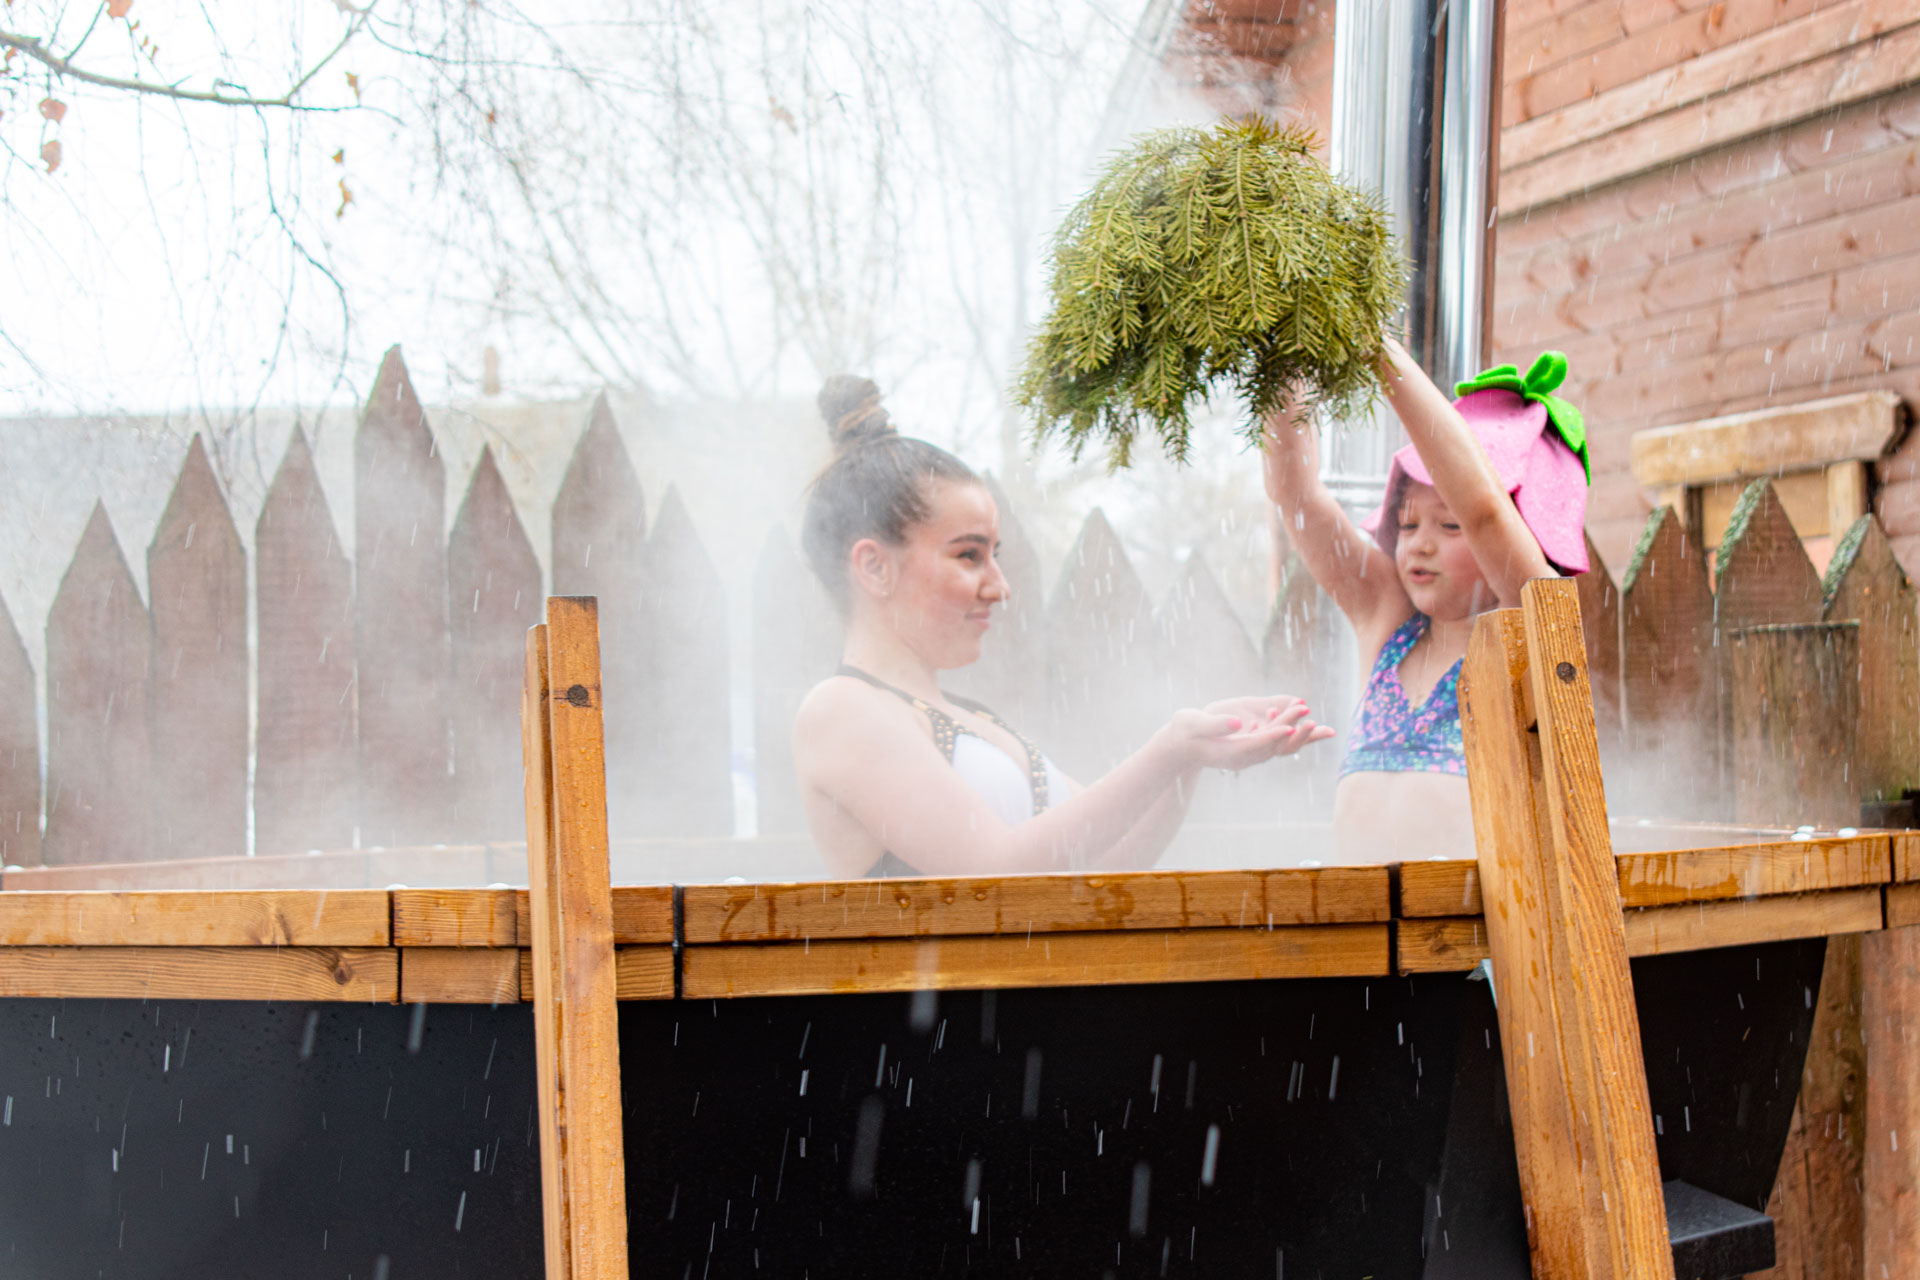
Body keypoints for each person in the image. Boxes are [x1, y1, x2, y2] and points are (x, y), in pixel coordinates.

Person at [794, 375, 1334, 879]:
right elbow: (993, 871)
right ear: (874, 567)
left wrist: (1190, 758)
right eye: (968, 555)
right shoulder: (841, 710)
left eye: (994, 555)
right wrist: (1167, 750)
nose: (1000, 586)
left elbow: (1107, 864)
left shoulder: (968, 718)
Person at [1261, 340, 1591, 864]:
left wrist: (1378, 348)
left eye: (1449, 525)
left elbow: (1484, 509)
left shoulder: (1530, 623)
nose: (1419, 544)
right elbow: (1295, 494)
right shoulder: (1386, 618)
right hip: (1361, 911)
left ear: (1520, 535)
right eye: (1408, 523)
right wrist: (1281, 354)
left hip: (1476, 916)